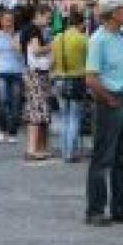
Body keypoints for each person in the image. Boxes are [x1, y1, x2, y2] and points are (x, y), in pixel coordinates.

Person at [84, 0, 123, 227]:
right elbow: (90, 78)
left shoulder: (120, 36)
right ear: (113, 13)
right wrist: (108, 98)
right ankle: (96, 210)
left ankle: (121, 207)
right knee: (103, 157)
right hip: (112, 100)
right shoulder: (99, 39)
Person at [52, 9, 89, 162]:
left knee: (64, 117)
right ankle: (70, 152)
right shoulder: (82, 39)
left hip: (59, 79)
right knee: (74, 117)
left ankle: (64, 150)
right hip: (76, 79)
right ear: (80, 24)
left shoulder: (57, 38)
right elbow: (89, 61)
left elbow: (53, 60)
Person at [21, 4, 54, 160]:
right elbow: (36, 50)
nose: (48, 21)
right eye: (47, 17)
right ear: (39, 14)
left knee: (35, 110)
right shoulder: (33, 30)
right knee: (36, 111)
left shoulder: (26, 29)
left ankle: (36, 148)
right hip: (36, 74)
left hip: (30, 72)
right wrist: (52, 46)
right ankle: (32, 149)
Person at [0, 8, 24, 143]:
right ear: (1, 21)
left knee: (16, 103)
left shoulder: (19, 35)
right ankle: (2, 129)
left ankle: (12, 132)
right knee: (3, 102)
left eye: (10, 20)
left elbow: (23, 55)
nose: (8, 22)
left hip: (17, 72)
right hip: (1, 72)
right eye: (5, 20)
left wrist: (15, 43)